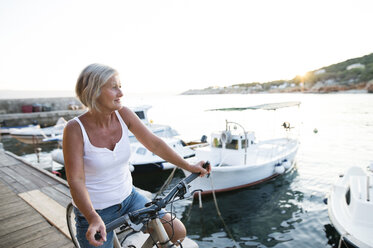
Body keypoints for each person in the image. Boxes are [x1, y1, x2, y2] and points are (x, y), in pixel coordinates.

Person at [63, 63, 210, 247]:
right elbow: (75, 180)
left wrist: (188, 166)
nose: (121, 93)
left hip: (130, 198)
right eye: (114, 87)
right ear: (94, 91)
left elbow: (154, 143)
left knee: (177, 231)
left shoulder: (123, 114)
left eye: (120, 86)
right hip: (96, 211)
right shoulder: (75, 129)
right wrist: (92, 217)